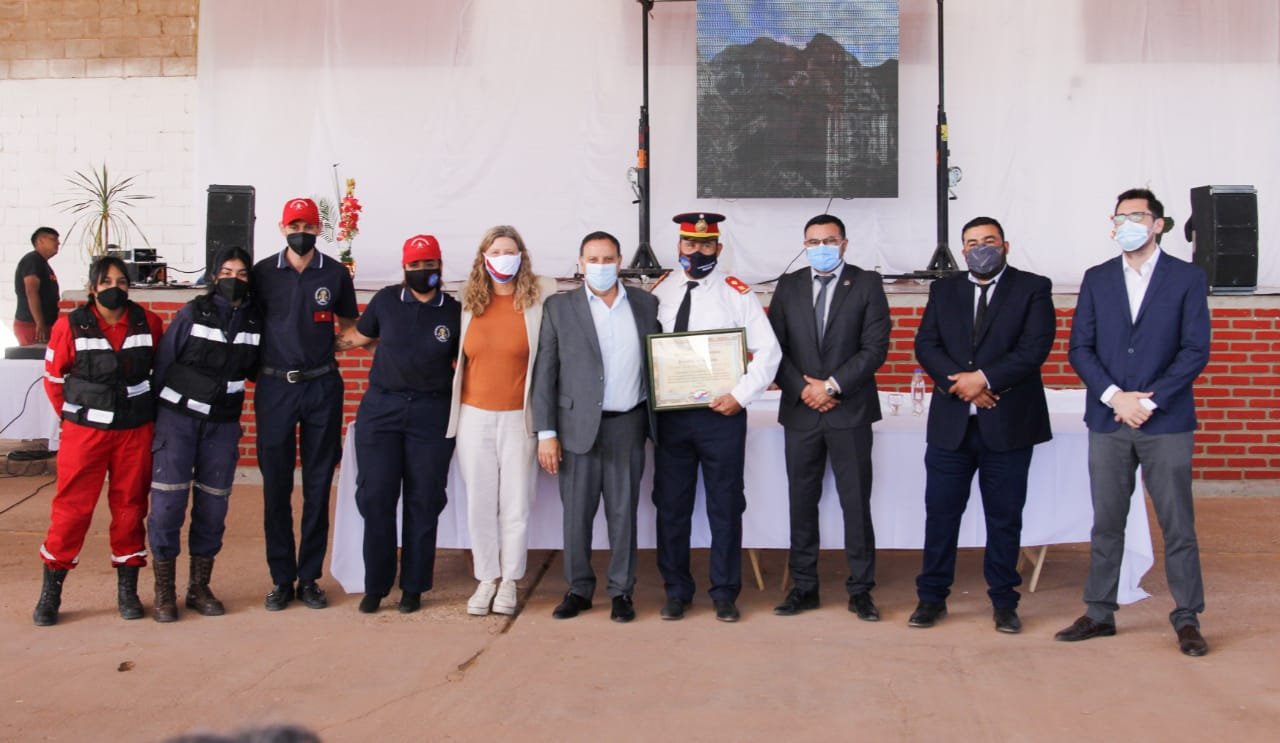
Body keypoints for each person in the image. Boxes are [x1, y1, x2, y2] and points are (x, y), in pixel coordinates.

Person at [1056, 188, 1212, 657]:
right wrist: (1115, 397)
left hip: (1166, 421)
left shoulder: (1186, 278)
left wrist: (1150, 401)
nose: (1126, 224)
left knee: (1177, 524)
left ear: (1158, 224)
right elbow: (1080, 348)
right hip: (1110, 419)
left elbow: (1194, 349)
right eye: (1119, 217)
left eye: (1136, 216)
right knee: (1107, 522)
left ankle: (1187, 618)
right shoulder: (1098, 278)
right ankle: (1099, 611)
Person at [909, 216, 1055, 634]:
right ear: (963, 250)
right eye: (972, 243)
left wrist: (985, 380)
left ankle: (1004, 602)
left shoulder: (1032, 287)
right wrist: (963, 386)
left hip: (1008, 424)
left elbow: (1033, 348)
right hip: (951, 426)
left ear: (1005, 245)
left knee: (1004, 518)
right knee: (941, 515)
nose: (980, 249)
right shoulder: (945, 289)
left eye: (989, 241)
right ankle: (931, 598)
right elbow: (926, 344)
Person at [650, 212, 781, 622]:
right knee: (671, 507)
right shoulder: (660, 290)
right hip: (671, 418)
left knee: (725, 506)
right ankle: (676, 591)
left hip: (721, 416)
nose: (698, 251)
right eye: (690, 244)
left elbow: (769, 352)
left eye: (706, 245)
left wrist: (740, 396)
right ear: (679, 246)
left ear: (719, 248)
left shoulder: (735, 293)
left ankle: (725, 592)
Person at [531, 230, 660, 623]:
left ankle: (622, 591)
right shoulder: (559, 307)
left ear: (620, 262)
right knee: (577, 515)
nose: (600, 266)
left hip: (628, 424)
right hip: (576, 428)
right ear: (580, 263)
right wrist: (546, 433)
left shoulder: (645, 303)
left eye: (608, 259)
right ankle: (579, 589)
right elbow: (545, 373)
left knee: (623, 515)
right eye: (593, 260)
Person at [767, 214, 891, 620]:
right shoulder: (789, 285)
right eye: (813, 241)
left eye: (829, 240)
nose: (821, 247)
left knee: (855, 504)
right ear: (804, 245)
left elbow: (875, 347)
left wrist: (832, 387)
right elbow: (774, 347)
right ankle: (804, 587)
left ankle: (861, 590)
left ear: (844, 244)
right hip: (801, 411)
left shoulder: (867, 283)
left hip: (849, 411)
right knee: (801, 503)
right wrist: (804, 389)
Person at [33, 256, 165, 626]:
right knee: (71, 510)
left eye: (122, 282)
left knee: (130, 507)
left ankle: (128, 589)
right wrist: (75, 419)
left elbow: (159, 373)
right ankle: (51, 591)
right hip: (85, 434)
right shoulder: (69, 325)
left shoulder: (149, 322)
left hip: (133, 432)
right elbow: (54, 381)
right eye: (106, 282)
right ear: (93, 288)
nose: (114, 288)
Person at [335, 235, 460, 614]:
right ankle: (376, 585)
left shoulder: (454, 311)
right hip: (382, 410)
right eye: (415, 265)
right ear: (404, 268)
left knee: (425, 501)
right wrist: (311, 341)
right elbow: (357, 336)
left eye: (429, 264)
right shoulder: (386, 301)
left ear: (440, 266)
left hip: (431, 413)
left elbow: (468, 362)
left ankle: (414, 587)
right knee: (376, 498)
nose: (422, 271)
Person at [252, 197, 357, 611]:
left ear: (318, 230)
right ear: (282, 228)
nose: (301, 232)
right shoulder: (262, 273)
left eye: (308, 226)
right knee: (275, 487)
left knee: (317, 484)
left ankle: (310, 577)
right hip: (275, 387)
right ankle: (281, 579)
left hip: (321, 388)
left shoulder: (334, 273)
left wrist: (328, 348)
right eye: (294, 225)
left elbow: (349, 327)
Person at [446, 225, 557, 617]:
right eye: (495, 252)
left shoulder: (540, 296)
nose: (503, 258)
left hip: (518, 418)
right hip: (473, 417)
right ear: (483, 257)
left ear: (521, 256)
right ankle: (486, 578)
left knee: (516, 503)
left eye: (510, 251)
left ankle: (510, 579)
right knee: (479, 502)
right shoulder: (466, 298)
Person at [146, 247, 262, 622]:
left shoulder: (255, 320)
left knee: (213, 507)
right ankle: (165, 591)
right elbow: (164, 362)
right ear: (214, 277)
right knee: (168, 505)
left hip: (222, 425)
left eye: (241, 274)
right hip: (177, 420)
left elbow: (256, 369)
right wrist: (155, 422)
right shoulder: (193, 312)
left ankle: (199, 587)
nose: (233, 279)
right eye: (226, 272)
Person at [14, 226, 62, 345]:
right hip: (32, 325)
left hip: (43, 324)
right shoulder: (32, 260)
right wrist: (39, 323)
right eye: (53, 239)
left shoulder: (42, 263)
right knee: (35, 356)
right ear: (40, 241)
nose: (58, 243)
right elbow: (31, 291)